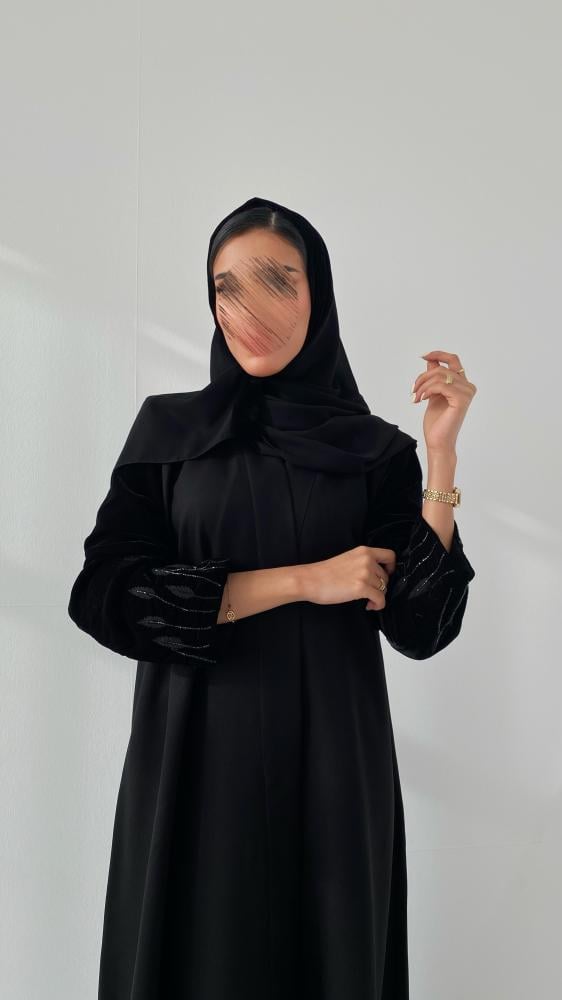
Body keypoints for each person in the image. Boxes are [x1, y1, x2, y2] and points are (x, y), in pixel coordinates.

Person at [68, 194, 477, 999]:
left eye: (276, 282)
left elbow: (421, 624)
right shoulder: (170, 436)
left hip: (333, 769)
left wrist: (441, 460)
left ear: (317, 294)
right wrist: (305, 581)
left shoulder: (376, 453)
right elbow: (106, 596)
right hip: (193, 765)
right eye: (227, 288)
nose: (247, 311)